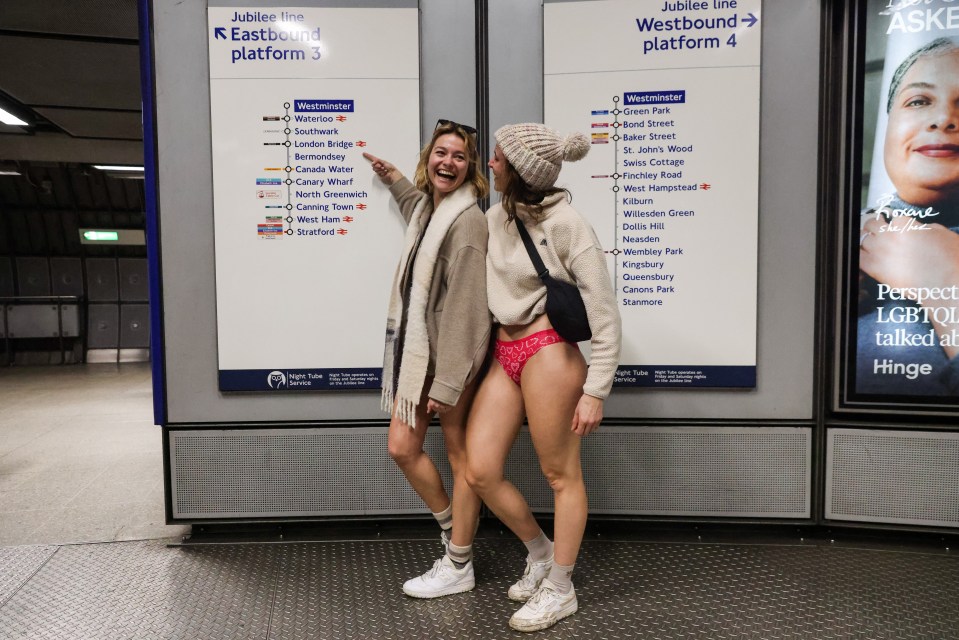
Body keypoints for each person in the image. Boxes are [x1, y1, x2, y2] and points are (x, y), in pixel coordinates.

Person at [465, 123, 621, 632]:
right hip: (504, 353)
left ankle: (561, 587)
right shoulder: (495, 218)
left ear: (520, 171)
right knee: (481, 469)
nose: (490, 165)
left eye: (497, 159)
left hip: (549, 352)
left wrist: (595, 391)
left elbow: (604, 312)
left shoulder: (568, 224)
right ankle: (539, 552)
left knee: (561, 475)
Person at [363, 119, 490, 597]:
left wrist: (449, 383)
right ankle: (453, 529)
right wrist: (394, 178)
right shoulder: (430, 211)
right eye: (441, 153)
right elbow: (417, 205)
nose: (448, 162)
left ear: (470, 168)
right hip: (418, 356)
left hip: (449, 364)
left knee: (462, 461)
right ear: (428, 157)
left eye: (459, 156)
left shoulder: (469, 222)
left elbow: (467, 312)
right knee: (402, 447)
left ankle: (459, 564)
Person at [858, 37, 959, 394]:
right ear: (888, 129)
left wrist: (948, 286)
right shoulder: (826, 247)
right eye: (918, 101)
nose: (945, 118)